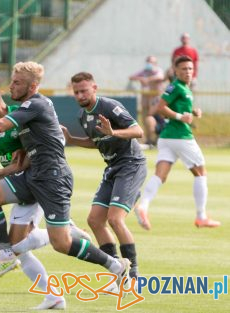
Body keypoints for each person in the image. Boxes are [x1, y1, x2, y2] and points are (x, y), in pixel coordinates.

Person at [0, 62, 131, 309]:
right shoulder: (24, 107)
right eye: (12, 80)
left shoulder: (35, 104)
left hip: (52, 177)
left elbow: (1, 126)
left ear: (31, 86)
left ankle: (116, 265)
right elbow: (31, 145)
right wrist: (9, 167)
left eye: (17, 82)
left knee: (61, 244)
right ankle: (19, 265)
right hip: (33, 176)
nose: (12, 86)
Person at [62, 72, 146, 292]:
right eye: (76, 91)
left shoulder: (109, 107)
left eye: (84, 90)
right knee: (95, 220)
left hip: (130, 165)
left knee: (115, 219)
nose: (80, 95)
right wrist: (71, 140)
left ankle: (134, 275)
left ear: (94, 88)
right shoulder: (83, 115)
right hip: (112, 168)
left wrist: (114, 132)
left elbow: (138, 131)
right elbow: (95, 142)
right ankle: (119, 273)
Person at [135, 56, 220, 230]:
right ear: (175, 70)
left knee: (160, 175)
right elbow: (160, 107)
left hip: (167, 138)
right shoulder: (176, 86)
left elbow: (173, 109)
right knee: (201, 173)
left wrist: (191, 112)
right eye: (183, 69)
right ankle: (201, 216)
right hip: (180, 137)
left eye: (190, 69)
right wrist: (182, 117)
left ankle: (143, 206)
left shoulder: (183, 88)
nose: (188, 72)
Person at [129, 56, 165, 145]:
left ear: (155, 63)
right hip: (145, 101)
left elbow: (160, 77)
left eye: (151, 62)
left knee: (160, 122)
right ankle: (148, 140)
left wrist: (148, 80)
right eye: (148, 61)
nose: (149, 63)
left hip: (157, 102)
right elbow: (131, 77)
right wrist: (141, 79)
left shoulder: (158, 71)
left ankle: (157, 140)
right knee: (146, 121)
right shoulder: (144, 72)